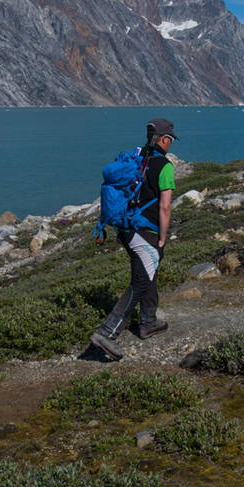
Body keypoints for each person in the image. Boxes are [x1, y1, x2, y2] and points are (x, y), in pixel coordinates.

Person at [89, 118, 176, 361]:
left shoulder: (137, 160)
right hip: (145, 232)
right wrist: (162, 237)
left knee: (147, 273)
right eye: (170, 139)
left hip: (126, 229)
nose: (170, 144)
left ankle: (148, 322)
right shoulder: (164, 166)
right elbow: (165, 207)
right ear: (164, 139)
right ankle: (107, 333)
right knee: (140, 281)